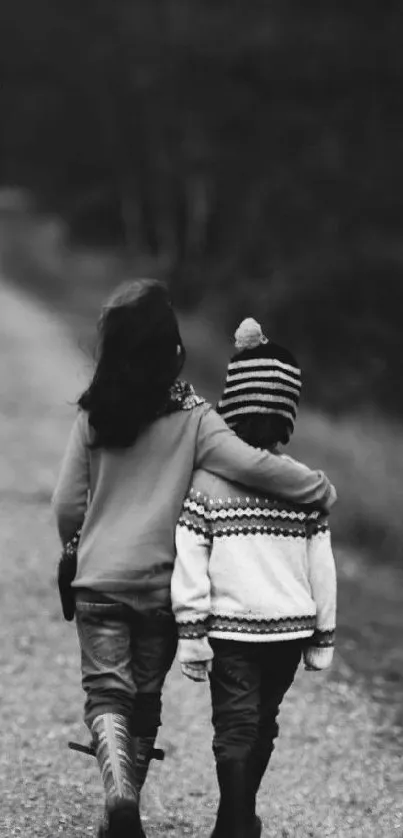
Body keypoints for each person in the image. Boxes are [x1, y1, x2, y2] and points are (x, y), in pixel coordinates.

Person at [52, 284, 336, 838]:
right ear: (173, 350)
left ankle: (120, 797)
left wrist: (76, 545)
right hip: (160, 590)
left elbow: (67, 503)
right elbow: (252, 465)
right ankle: (126, 799)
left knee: (107, 692)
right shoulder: (196, 418)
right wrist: (317, 487)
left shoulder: (93, 415)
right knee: (145, 699)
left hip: (98, 584)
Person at [171, 317, 337, 838]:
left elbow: (189, 555)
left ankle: (235, 820)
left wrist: (191, 631)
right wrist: (324, 635)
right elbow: (321, 567)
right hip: (289, 631)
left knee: (235, 727)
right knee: (263, 722)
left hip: (231, 631)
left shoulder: (206, 484)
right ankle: (237, 819)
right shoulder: (304, 488)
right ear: (287, 412)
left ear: (230, 406)